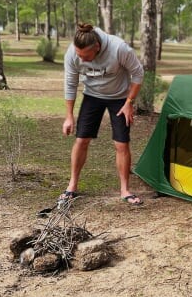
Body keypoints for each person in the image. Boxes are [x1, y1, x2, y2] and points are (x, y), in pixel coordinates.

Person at [60, 23, 144, 207]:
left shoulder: (119, 48)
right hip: (92, 96)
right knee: (81, 140)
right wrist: (69, 116)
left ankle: (125, 190)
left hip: (120, 98)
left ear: (97, 47)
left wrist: (129, 103)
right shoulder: (72, 54)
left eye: (85, 56)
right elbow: (70, 83)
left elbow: (138, 73)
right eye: (79, 55)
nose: (81, 60)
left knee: (121, 143)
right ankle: (72, 185)